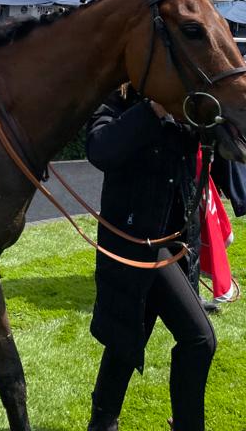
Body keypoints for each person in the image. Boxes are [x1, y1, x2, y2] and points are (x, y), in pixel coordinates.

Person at [84, 86, 214, 431]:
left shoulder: (186, 103)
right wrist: (153, 108)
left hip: (177, 240)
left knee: (129, 336)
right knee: (199, 339)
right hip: (134, 243)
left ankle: (102, 422)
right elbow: (100, 149)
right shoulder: (117, 101)